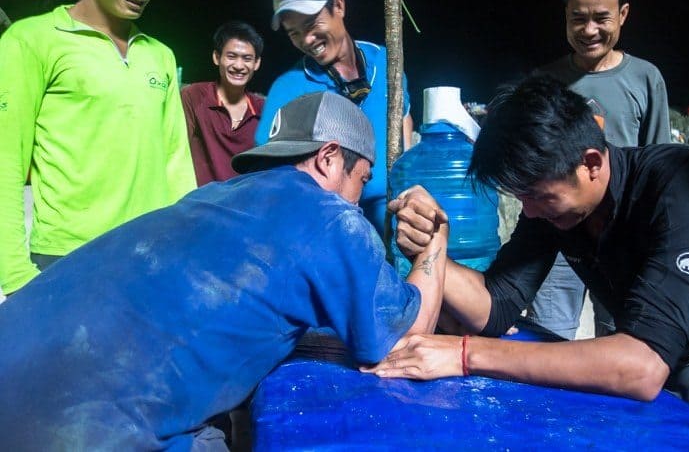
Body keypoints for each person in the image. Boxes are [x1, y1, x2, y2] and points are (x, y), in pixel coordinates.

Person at [0, 91, 449, 451]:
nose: (356, 198)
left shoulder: (207, 198)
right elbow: (410, 336)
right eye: (362, 179)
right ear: (330, 157)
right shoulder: (330, 217)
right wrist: (437, 237)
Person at [365, 75, 689, 443]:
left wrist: (464, 355)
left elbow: (643, 366)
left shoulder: (681, 185)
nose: (529, 212)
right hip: (667, 355)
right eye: (522, 198)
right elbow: (494, 308)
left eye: (536, 197)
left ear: (591, 162)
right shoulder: (558, 206)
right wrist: (434, 246)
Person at [0, 0, 195, 294]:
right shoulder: (29, 41)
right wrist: (15, 275)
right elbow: (6, 163)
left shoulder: (161, 56)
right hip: (69, 259)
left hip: (151, 256)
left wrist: (184, 248)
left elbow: (176, 163)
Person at [529, 0, 672, 339]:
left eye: (601, 18)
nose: (589, 30)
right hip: (560, 234)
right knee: (548, 336)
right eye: (578, 19)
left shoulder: (645, 78)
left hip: (624, 235)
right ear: (565, 18)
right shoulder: (545, 81)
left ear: (623, 15)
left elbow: (659, 161)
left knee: (621, 336)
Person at [255, 0, 414, 234]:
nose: (306, 40)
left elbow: (403, 117)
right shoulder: (287, 88)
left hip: (392, 218)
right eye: (293, 33)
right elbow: (268, 176)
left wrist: (405, 184)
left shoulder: (387, 62)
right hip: (327, 227)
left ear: (338, 6)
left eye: (311, 24)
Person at [181, 21, 265, 185]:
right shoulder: (194, 96)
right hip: (199, 203)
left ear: (256, 63)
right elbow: (176, 148)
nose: (239, 66)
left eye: (247, 58)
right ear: (217, 57)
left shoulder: (263, 110)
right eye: (231, 56)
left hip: (242, 204)